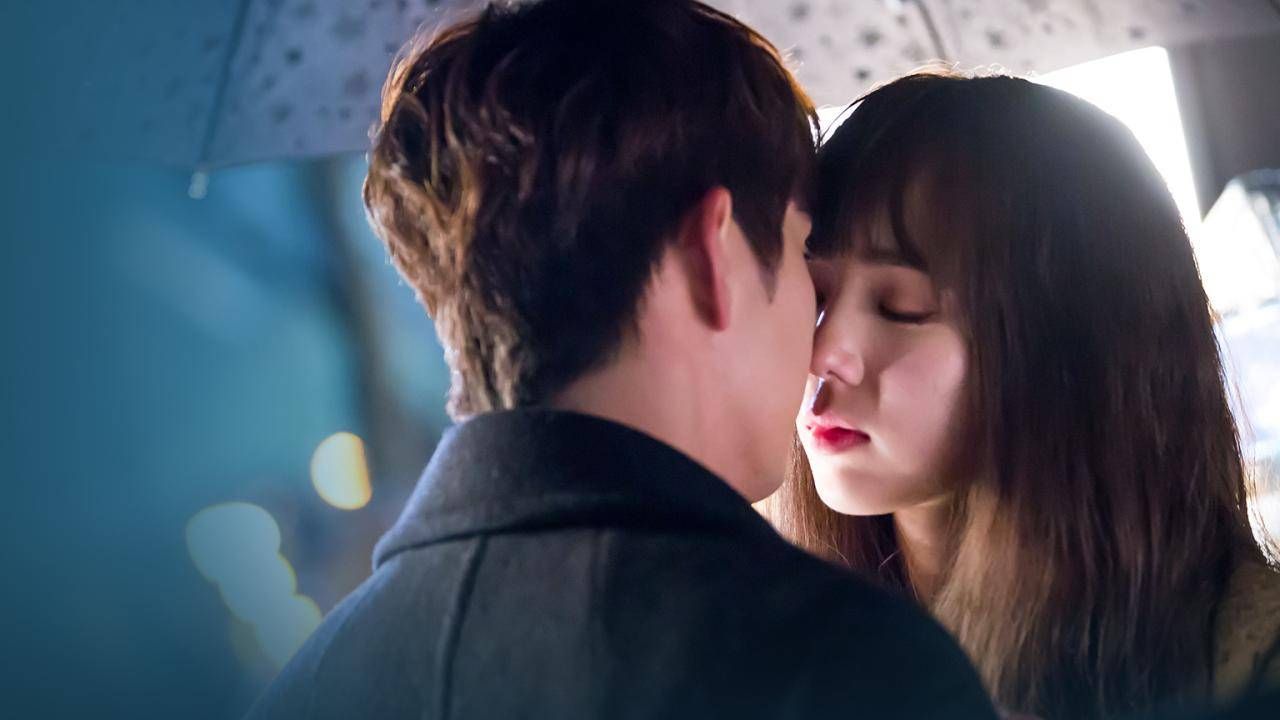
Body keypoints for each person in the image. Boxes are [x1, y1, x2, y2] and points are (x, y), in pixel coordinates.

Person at [247, 3, 997, 718]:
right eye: (803, 254)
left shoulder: (306, 688)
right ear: (712, 256)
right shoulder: (848, 667)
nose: (822, 346)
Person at [765, 69, 1280, 719]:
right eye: (814, 294)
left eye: (900, 307)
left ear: (1067, 348)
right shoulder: (778, 643)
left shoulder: (1246, 657)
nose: (821, 353)